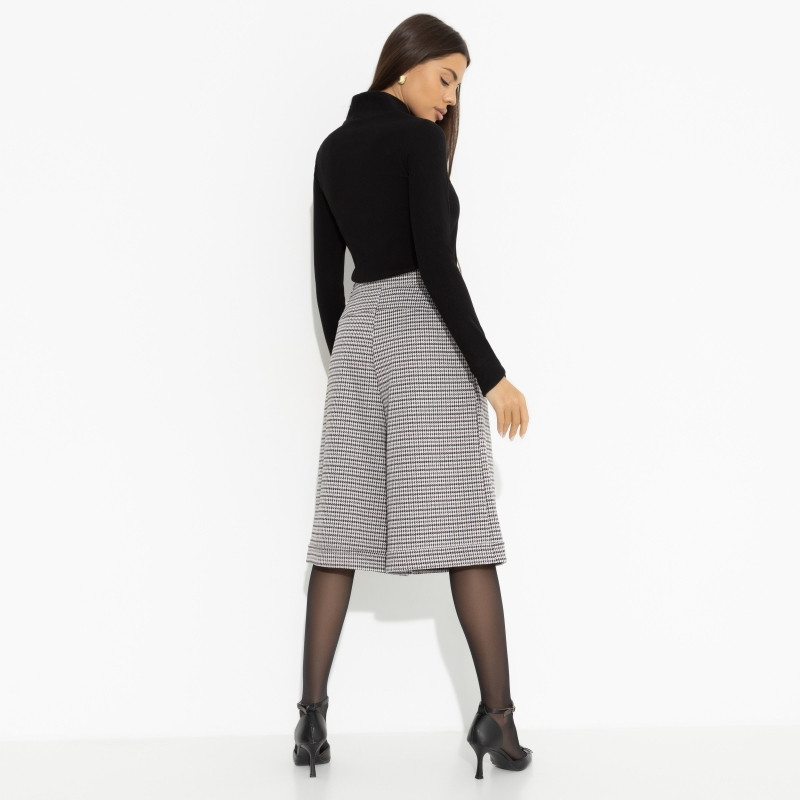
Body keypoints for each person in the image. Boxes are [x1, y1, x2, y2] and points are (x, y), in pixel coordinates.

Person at [294, 14, 532, 779]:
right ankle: (497, 720)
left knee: (340, 531)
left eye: (458, 86)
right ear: (406, 65)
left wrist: (353, 361)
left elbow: (327, 282)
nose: (450, 98)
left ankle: (310, 721)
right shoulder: (418, 143)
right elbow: (436, 263)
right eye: (445, 77)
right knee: (464, 526)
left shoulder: (331, 149)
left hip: (361, 339)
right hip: (425, 335)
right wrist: (491, 375)